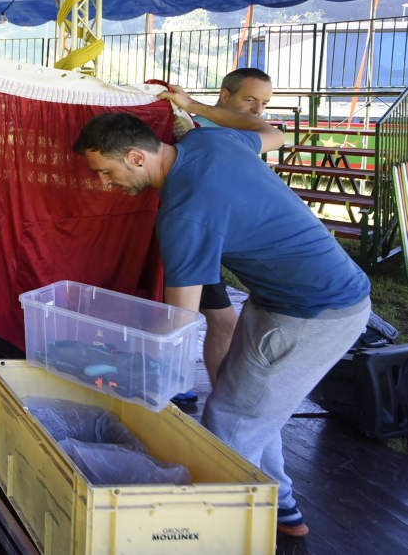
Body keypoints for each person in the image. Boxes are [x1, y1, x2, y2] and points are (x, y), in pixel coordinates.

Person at [72, 89, 370, 541]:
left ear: (136, 157)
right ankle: (282, 507)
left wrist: (138, 376)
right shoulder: (210, 141)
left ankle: (203, 533)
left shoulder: (183, 213)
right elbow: (274, 133)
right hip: (279, 298)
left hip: (318, 311)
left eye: (106, 173)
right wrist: (196, 110)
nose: (104, 184)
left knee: (229, 424)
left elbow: (179, 323)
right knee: (246, 402)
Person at [176, 67, 274, 390]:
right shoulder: (188, 125)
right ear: (224, 95)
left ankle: (215, 396)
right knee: (192, 321)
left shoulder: (244, 135)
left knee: (219, 322)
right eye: (250, 100)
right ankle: (175, 389)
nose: (258, 110)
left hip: (208, 243)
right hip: (183, 238)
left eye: (263, 102)